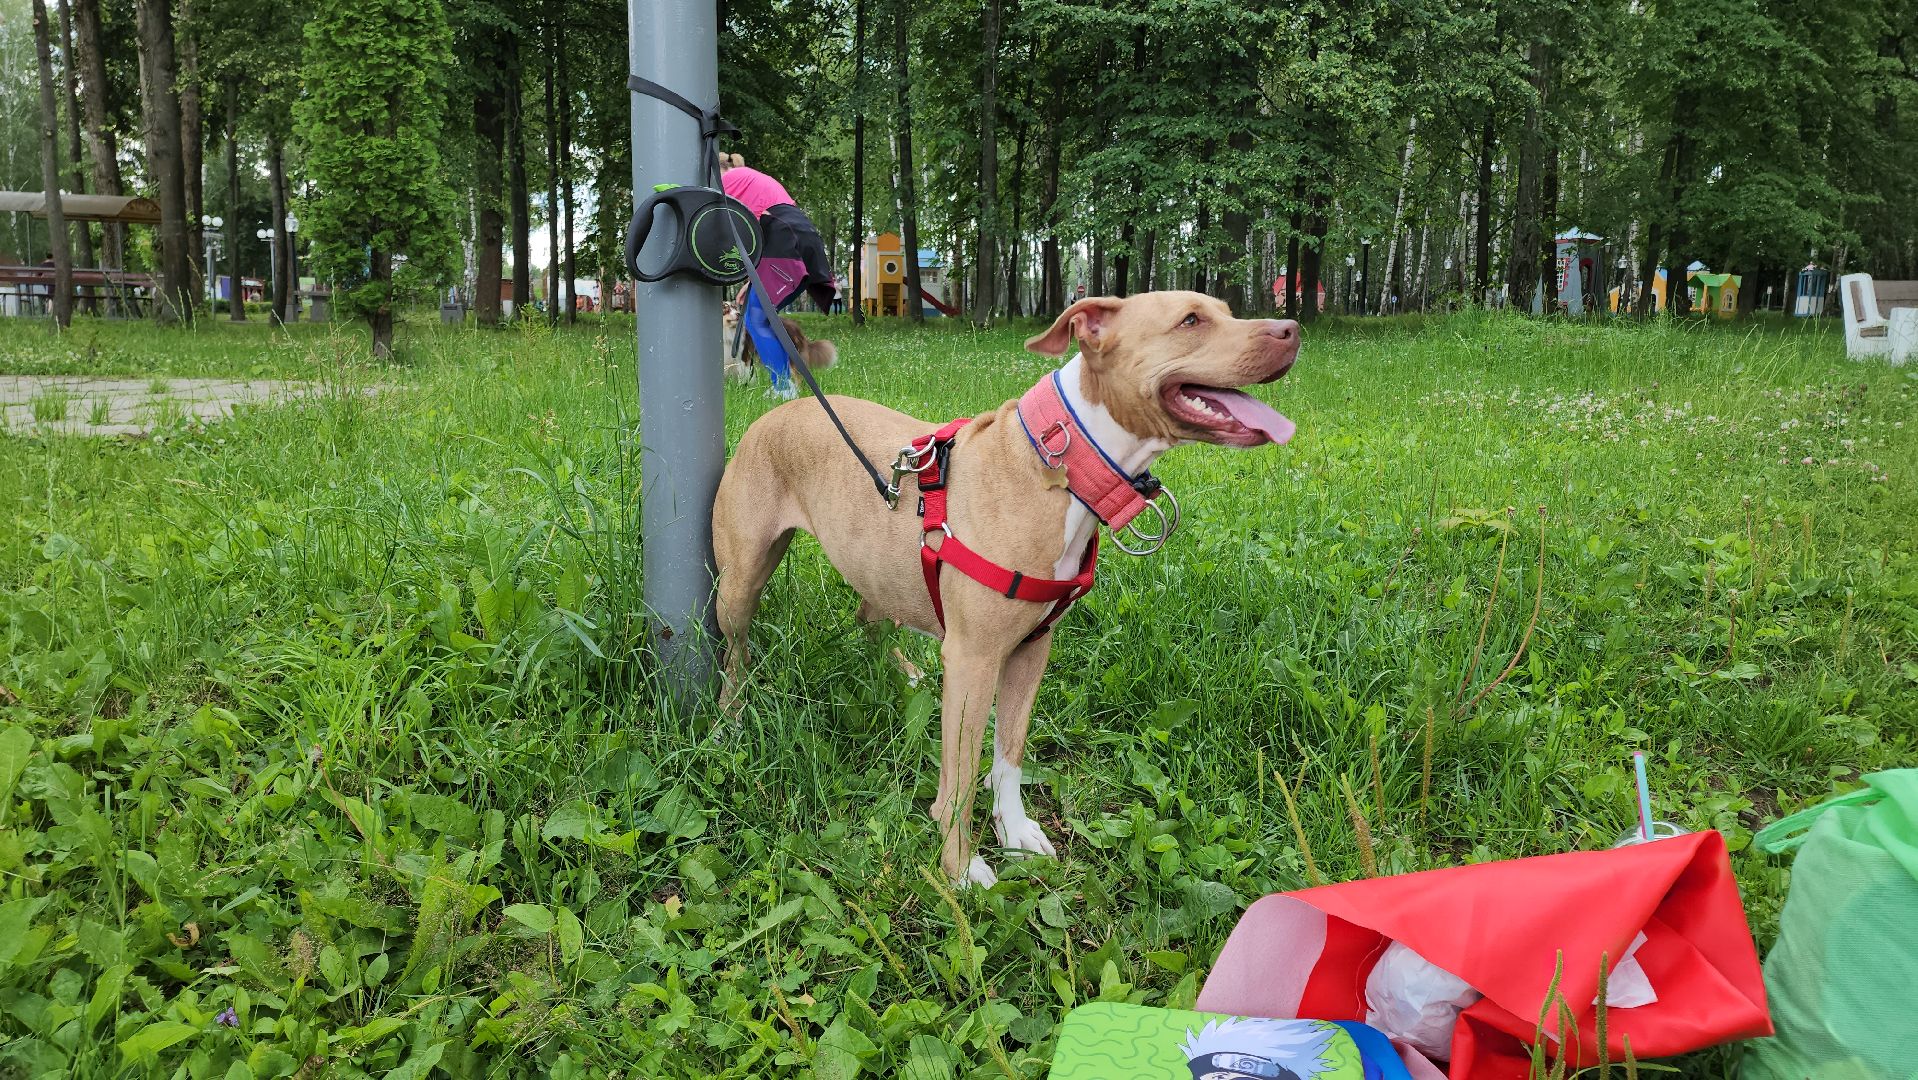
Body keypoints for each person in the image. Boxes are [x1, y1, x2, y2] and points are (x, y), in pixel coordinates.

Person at [720, 152, 836, 398]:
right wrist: (751, 281)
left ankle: (783, 387)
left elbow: (710, 212)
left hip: (788, 244)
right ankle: (784, 384)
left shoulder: (732, 177)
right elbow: (758, 232)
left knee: (756, 319)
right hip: (788, 244)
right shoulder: (749, 180)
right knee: (757, 315)